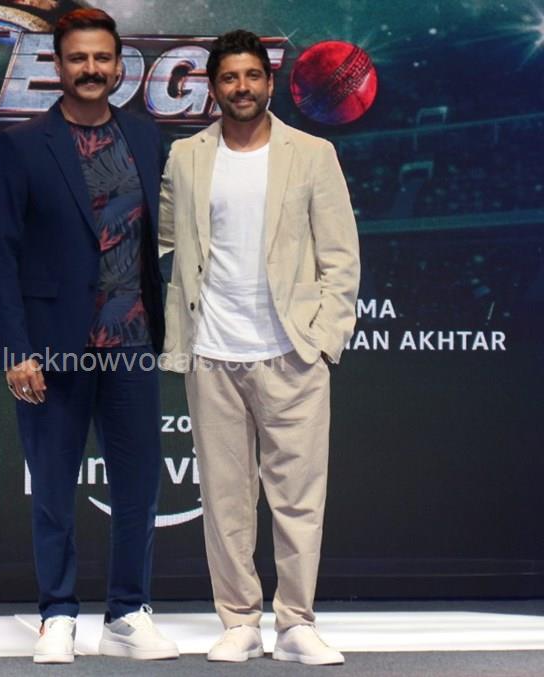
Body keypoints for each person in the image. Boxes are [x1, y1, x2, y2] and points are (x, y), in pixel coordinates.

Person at [0, 8, 178, 664]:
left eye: (101, 58)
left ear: (119, 66)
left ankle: (128, 612)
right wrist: (16, 350)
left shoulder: (146, 136)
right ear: (57, 66)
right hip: (51, 349)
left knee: (138, 486)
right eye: (77, 58)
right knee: (53, 488)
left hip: (132, 344)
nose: (91, 69)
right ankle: (57, 613)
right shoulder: (20, 146)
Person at [159, 29, 360, 665]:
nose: (241, 87)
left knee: (299, 501)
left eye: (251, 76)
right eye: (229, 77)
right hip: (212, 353)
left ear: (269, 83)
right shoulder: (185, 156)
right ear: (212, 87)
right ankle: (239, 621)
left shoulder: (314, 154)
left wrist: (323, 340)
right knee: (225, 502)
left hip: (291, 354)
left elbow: (341, 256)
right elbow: (161, 239)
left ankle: (297, 622)